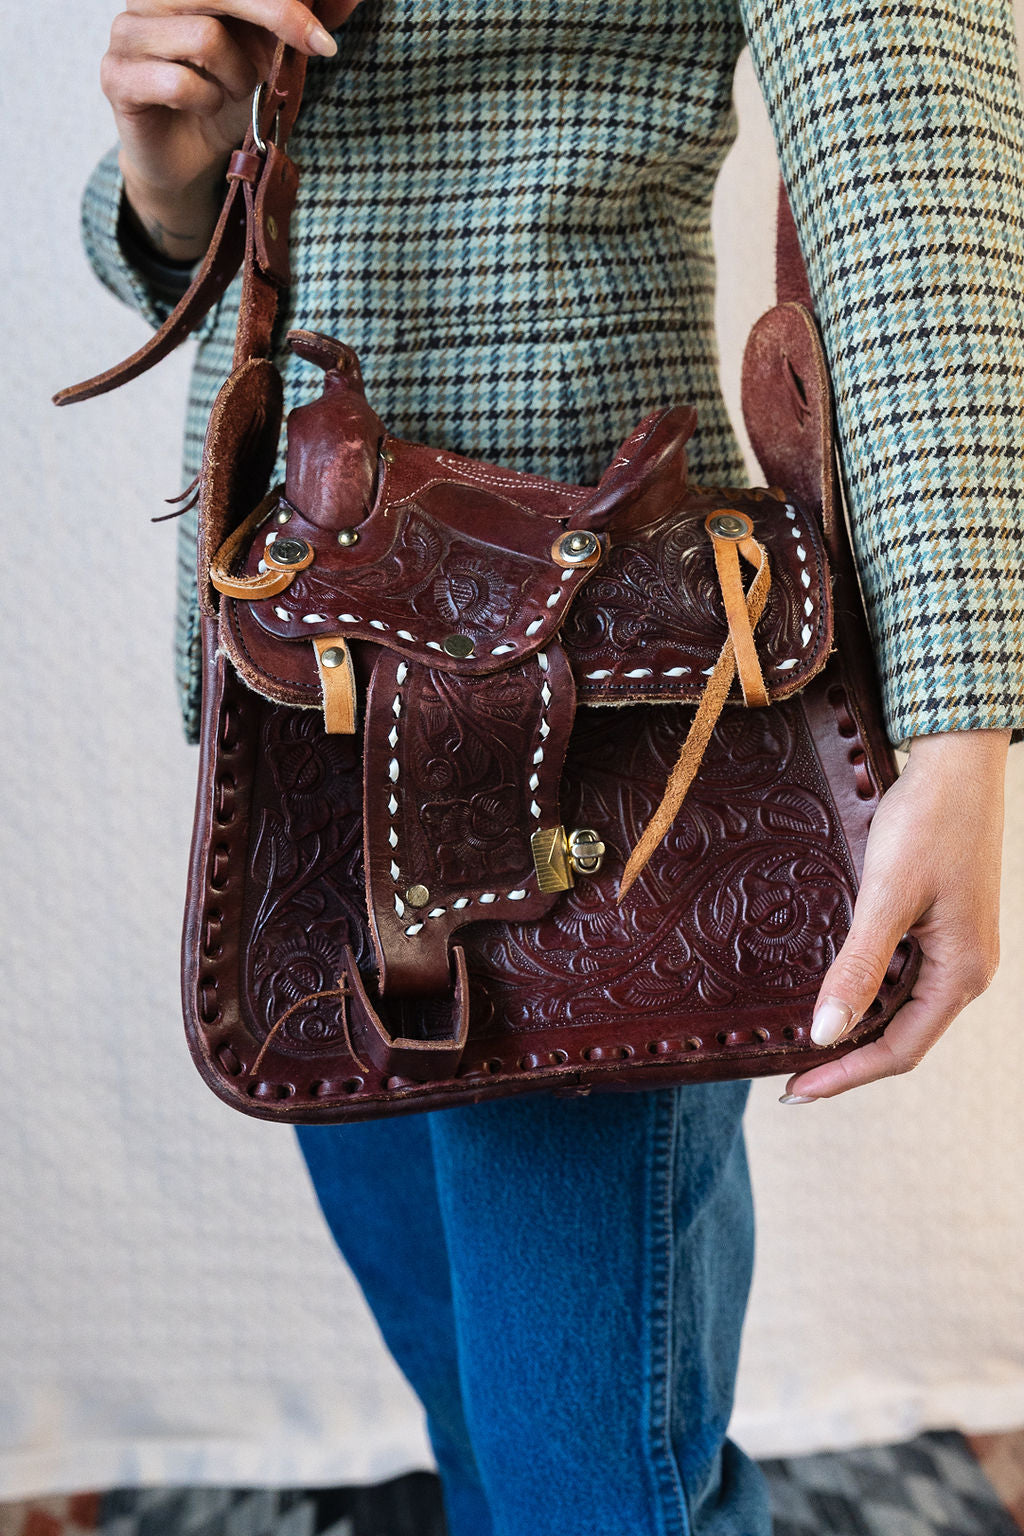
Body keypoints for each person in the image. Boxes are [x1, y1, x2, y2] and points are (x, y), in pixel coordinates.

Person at [83, 2, 1022, 1532]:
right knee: (478, 1419)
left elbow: (907, 149)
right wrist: (176, 173)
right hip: (301, 686)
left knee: (593, 1488)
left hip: (599, 705)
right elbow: (238, 183)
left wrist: (957, 711)